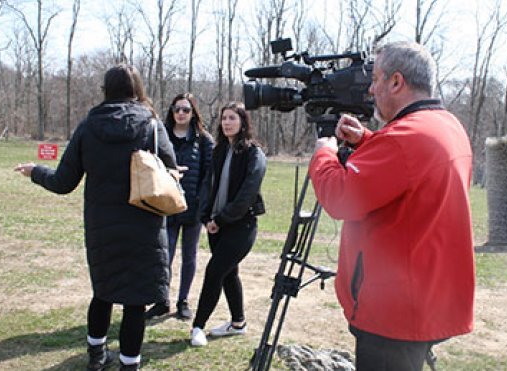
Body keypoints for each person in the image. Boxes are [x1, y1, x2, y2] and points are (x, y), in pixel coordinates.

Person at [308, 41, 475, 370]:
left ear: (396, 82)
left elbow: (340, 198)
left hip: (392, 311)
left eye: (375, 79)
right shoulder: (446, 125)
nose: (370, 89)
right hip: (424, 299)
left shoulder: (403, 138)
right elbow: (412, 173)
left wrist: (323, 152)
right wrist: (369, 141)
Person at [14, 64, 176, 371]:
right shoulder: (152, 125)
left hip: (103, 228)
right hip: (144, 225)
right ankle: (130, 364)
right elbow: (170, 167)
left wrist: (36, 171)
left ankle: (96, 357)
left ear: (106, 89)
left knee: (103, 292)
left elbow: (64, 182)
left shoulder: (88, 126)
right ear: (137, 89)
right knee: (135, 301)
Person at [189, 102, 267, 347]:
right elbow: (207, 185)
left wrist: (220, 219)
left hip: (241, 226)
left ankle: (198, 326)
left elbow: (246, 195)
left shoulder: (254, 154)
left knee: (215, 271)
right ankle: (238, 323)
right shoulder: (219, 150)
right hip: (216, 226)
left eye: (232, 118)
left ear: (243, 122)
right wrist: (207, 217)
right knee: (228, 273)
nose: (227, 122)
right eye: (224, 118)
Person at [145, 93, 214, 320]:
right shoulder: (160, 135)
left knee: (189, 255)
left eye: (186, 109)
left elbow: (209, 175)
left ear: (193, 112)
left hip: (193, 208)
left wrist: (203, 204)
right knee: (165, 255)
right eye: (177, 109)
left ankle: (183, 301)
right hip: (166, 205)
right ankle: (161, 300)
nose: (181, 113)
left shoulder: (203, 140)